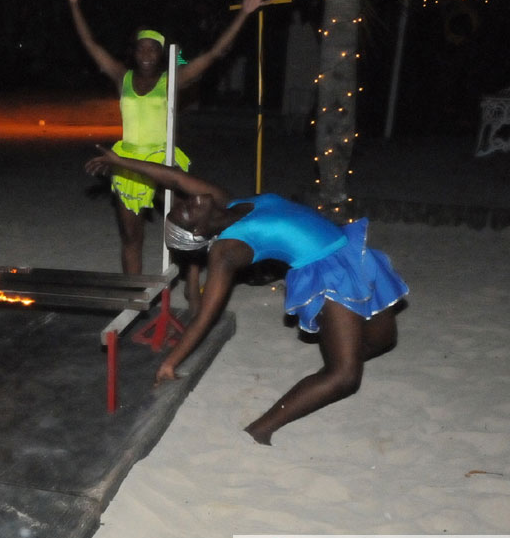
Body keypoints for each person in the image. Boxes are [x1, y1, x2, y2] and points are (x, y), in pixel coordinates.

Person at [85, 148, 409, 445]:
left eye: (182, 204)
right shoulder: (228, 251)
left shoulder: (225, 203)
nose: (187, 202)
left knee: (383, 339)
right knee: (344, 377)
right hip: (327, 275)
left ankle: (339, 354)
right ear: (199, 233)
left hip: (349, 253)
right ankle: (260, 430)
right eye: (186, 212)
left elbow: (173, 177)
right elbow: (205, 316)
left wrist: (120, 162)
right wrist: (171, 361)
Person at [66, 0, 273, 311]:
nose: (147, 53)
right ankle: (133, 300)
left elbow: (217, 52)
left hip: (163, 159)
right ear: (134, 52)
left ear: (161, 54)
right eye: (142, 47)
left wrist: (245, 12)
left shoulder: (172, 79)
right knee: (131, 237)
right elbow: (91, 46)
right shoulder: (123, 77)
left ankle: (191, 287)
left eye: (154, 49)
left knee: (186, 228)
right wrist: (75, 5)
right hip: (129, 161)